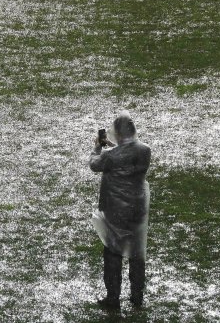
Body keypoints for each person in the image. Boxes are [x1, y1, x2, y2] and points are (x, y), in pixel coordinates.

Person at [89, 111, 151, 310]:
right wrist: (114, 148)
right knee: (137, 254)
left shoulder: (110, 157)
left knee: (113, 253)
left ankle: (113, 297)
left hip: (116, 210)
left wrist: (98, 148)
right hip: (138, 209)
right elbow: (129, 154)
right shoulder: (145, 150)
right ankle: (137, 296)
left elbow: (94, 165)